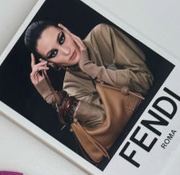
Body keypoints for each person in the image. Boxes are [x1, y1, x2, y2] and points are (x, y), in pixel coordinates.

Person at [25, 20, 154, 128]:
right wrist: (56, 101)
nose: (66, 51)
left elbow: (146, 82)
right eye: (53, 53)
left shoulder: (102, 35)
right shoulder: (71, 88)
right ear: (49, 63)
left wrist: (92, 69)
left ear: (66, 30)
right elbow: (107, 122)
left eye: (62, 39)